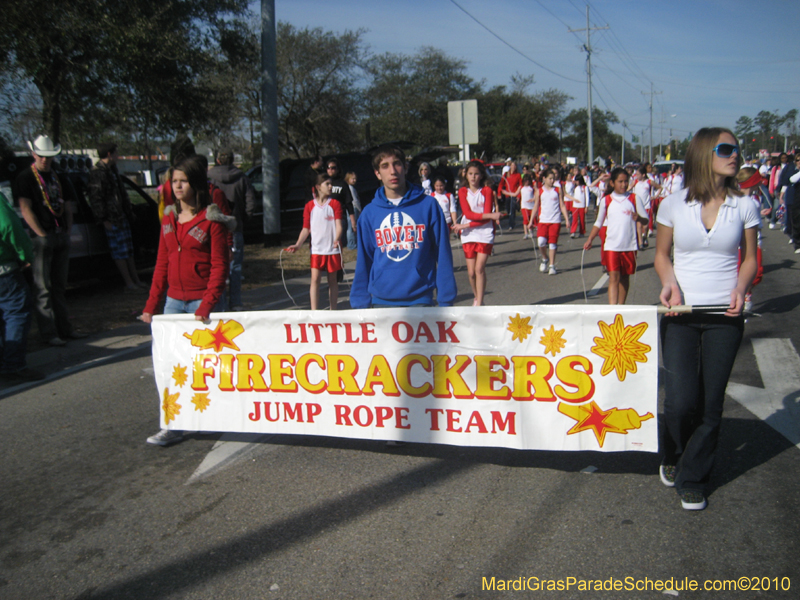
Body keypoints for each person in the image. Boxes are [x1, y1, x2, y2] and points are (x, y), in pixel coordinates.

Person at [654, 127, 759, 510]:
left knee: (710, 404)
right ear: (703, 154)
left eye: (736, 149)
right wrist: (670, 284)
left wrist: (741, 287)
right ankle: (674, 450)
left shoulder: (744, 204)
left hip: (725, 315)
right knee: (681, 401)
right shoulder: (673, 204)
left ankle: (693, 476)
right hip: (679, 312)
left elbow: (749, 258)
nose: (735, 155)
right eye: (726, 149)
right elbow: (662, 255)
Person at [142, 155, 235, 446]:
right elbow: (162, 263)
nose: (177, 186)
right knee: (171, 366)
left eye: (183, 181)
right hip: (173, 304)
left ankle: (214, 417)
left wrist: (208, 303)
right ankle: (173, 424)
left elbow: (220, 266)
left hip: (200, 306)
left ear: (195, 184)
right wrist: (151, 305)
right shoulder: (168, 218)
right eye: (174, 181)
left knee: (205, 366)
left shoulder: (212, 220)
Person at [351, 145, 456, 309]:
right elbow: (364, 261)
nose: (392, 171)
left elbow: (442, 253)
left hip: (420, 300)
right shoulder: (369, 213)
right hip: (381, 301)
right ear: (377, 173)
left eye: (397, 164)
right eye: (385, 166)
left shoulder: (428, 206)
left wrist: (446, 299)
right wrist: (359, 302)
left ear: (405, 168)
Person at [13, 135, 87, 346]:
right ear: (34, 154)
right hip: (42, 237)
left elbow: (69, 206)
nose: (45, 160)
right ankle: (49, 333)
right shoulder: (26, 178)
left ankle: (66, 329)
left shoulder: (59, 177)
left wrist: (68, 231)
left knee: (59, 286)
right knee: (42, 287)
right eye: (41, 156)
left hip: (60, 234)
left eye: (49, 156)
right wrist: (41, 234)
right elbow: (25, 208)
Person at [583, 167, 648, 304]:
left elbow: (646, 220)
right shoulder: (606, 200)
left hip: (629, 245)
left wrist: (639, 219)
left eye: (626, 181)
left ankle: (621, 307)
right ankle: (613, 309)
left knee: (624, 278)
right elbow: (598, 222)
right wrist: (590, 239)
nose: (624, 184)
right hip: (612, 245)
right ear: (612, 183)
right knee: (613, 277)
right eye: (620, 182)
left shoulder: (634, 199)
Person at [88, 142, 146, 293]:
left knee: (128, 249)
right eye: (116, 152)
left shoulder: (112, 170)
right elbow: (96, 198)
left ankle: (136, 280)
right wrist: (103, 219)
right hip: (111, 218)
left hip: (122, 215)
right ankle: (128, 282)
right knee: (119, 251)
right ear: (109, 154)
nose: (118, 156)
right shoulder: (97, 172)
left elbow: (121, 193)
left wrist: (129, 210)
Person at [0, 185, 44, 382]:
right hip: (4, 270)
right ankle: (14, 365)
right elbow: (8, 225)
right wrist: (25, 254)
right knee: (16, 312)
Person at [207, 148, 257, 310]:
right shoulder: (242, 177)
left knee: (216, 266)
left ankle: (218, 300)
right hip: (234, 226)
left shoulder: (209, 178)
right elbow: (251, 201)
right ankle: (235, 302)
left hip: (212, 226)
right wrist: (243, 219)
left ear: (218, 160)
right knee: (235, 267)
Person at [286, 173, 344, 310]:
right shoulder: (309, 206)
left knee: (332, 281)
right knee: (315, 280)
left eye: (331, 184)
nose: (331, 187)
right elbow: (306, 229)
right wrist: (298, 244)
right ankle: (314, 312)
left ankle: (333, 310)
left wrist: (337, 239)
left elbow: (339, 226)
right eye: (327, 184)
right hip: (317, 250)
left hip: (332, 250)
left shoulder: (335, 204)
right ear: (318, 187)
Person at [454, 160, 501, 306]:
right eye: (470, 174)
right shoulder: (462, 191)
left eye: (476, 174)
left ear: (481, 175)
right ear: (465, 175)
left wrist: (465, 224)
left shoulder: (487, 191)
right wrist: (490, 216)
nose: (473, 177)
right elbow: (469, 213)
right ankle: (476, 296)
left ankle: (480, 303)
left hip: (484, 232)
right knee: (471, 273)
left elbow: (485, 216)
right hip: (469, 234)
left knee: (479, 268)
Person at [530, 168, 571, 275]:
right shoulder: (539, 191)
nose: (552, 181)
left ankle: (552, 265)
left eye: (553, 178)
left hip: (555, 221)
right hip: (543, 221)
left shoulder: (558, 190)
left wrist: (566, 219)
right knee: (541, 242)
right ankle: (545, 258)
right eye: (550, 178)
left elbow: (562, 205)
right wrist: (531, 221)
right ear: (544, 179)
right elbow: (535, 206)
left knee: (552, 243)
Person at [325, 158, 356, 249]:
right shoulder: (323, 183)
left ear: (338, 169)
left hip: (339, 217)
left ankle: (338, 261)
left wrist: (353, 222)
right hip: (326, 217)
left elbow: (349, 203)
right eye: (328, 167)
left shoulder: (342, 184)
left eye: (333, 168)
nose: (330, 170)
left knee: (337, 244)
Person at [499, 161, 521, 231]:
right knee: (508, 210)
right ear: (510, 166)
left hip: (514, 195)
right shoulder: (506, 175)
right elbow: (501, 184)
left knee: (512, 209)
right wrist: (499, 193)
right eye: (512, 165)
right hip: (507, 195)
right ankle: (511, 221)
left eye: (515, 166)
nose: (513, 167)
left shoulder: (518, 175)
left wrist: (518, 196)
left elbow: (520, 186)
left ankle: (511, 224)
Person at [565, 174, 588, 238]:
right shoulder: (574, 187)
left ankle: (582, 232)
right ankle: (573, 232)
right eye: (576, 181)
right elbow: (568, 190)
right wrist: (573, 182)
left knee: (582, 220)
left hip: (582, 205)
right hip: (575, 205)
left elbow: (587, 197)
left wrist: (586, 206)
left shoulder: (585, 187)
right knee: (574, 219)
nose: (576, 182)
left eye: (577, 181)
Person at [344, 171, 362, 250]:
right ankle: (351, 244)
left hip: (351, 209)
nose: (354, 180)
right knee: (352, 227)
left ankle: (352, 243)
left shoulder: (350, 188)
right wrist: (359, 209)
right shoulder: (350, 188)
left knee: (351, 227)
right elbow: (355, 201)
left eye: (355, 179)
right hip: (353, 209)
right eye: (352, 179)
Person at [520, 174, 536, 240]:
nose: (527, 182)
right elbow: (515, 193)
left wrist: (533, 199)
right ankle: (526, 233)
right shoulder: (521, 188)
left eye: (528, 180)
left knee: (531, 220)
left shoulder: (532, 188)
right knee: (526, 220)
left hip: (531, 206)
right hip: (524, 206)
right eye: (525, 180)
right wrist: (507, 193)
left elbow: (536, 195)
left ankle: (531, 232)